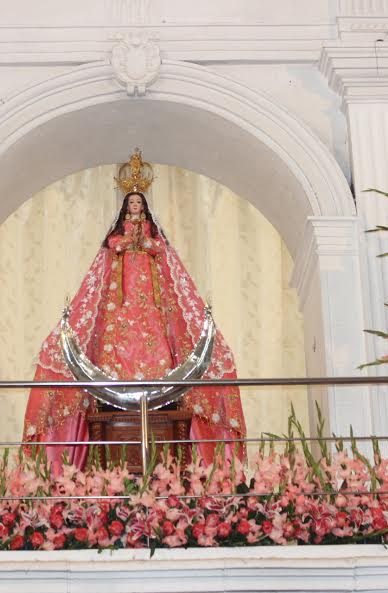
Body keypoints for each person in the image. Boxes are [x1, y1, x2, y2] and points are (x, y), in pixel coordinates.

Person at [22, 153, 246, 471]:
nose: (136, 208)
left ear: (145, 207)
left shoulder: (153, 235)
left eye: (139, 204)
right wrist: (128, 242)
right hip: (124, 297)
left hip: (149, 299)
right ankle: (122, 381)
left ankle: (155, 383)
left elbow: (161, 250)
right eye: (132, 205)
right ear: (126, 208)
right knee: (123, 332)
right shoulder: (122, 235)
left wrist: (147, 244)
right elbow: (112, 244)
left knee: (152, 331)